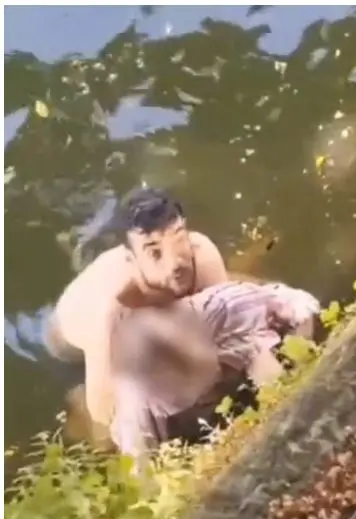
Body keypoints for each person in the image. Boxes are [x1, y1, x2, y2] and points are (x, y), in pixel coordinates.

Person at [47, 188, 229, 437]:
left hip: (157, 308)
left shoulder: (202, 254)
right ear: (132, 260)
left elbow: (228, 332)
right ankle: (76, 393)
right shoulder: (111, 305)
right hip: (69, 339)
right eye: (155, 252)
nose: (175, 263)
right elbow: (104, 413)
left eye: (178, 239)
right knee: (103, 427)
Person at [107, 279, 320, 460]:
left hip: (241, 350)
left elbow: (304, 305)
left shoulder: (233, 309)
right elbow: (141, 477)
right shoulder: (137, 404)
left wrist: (290, 360)